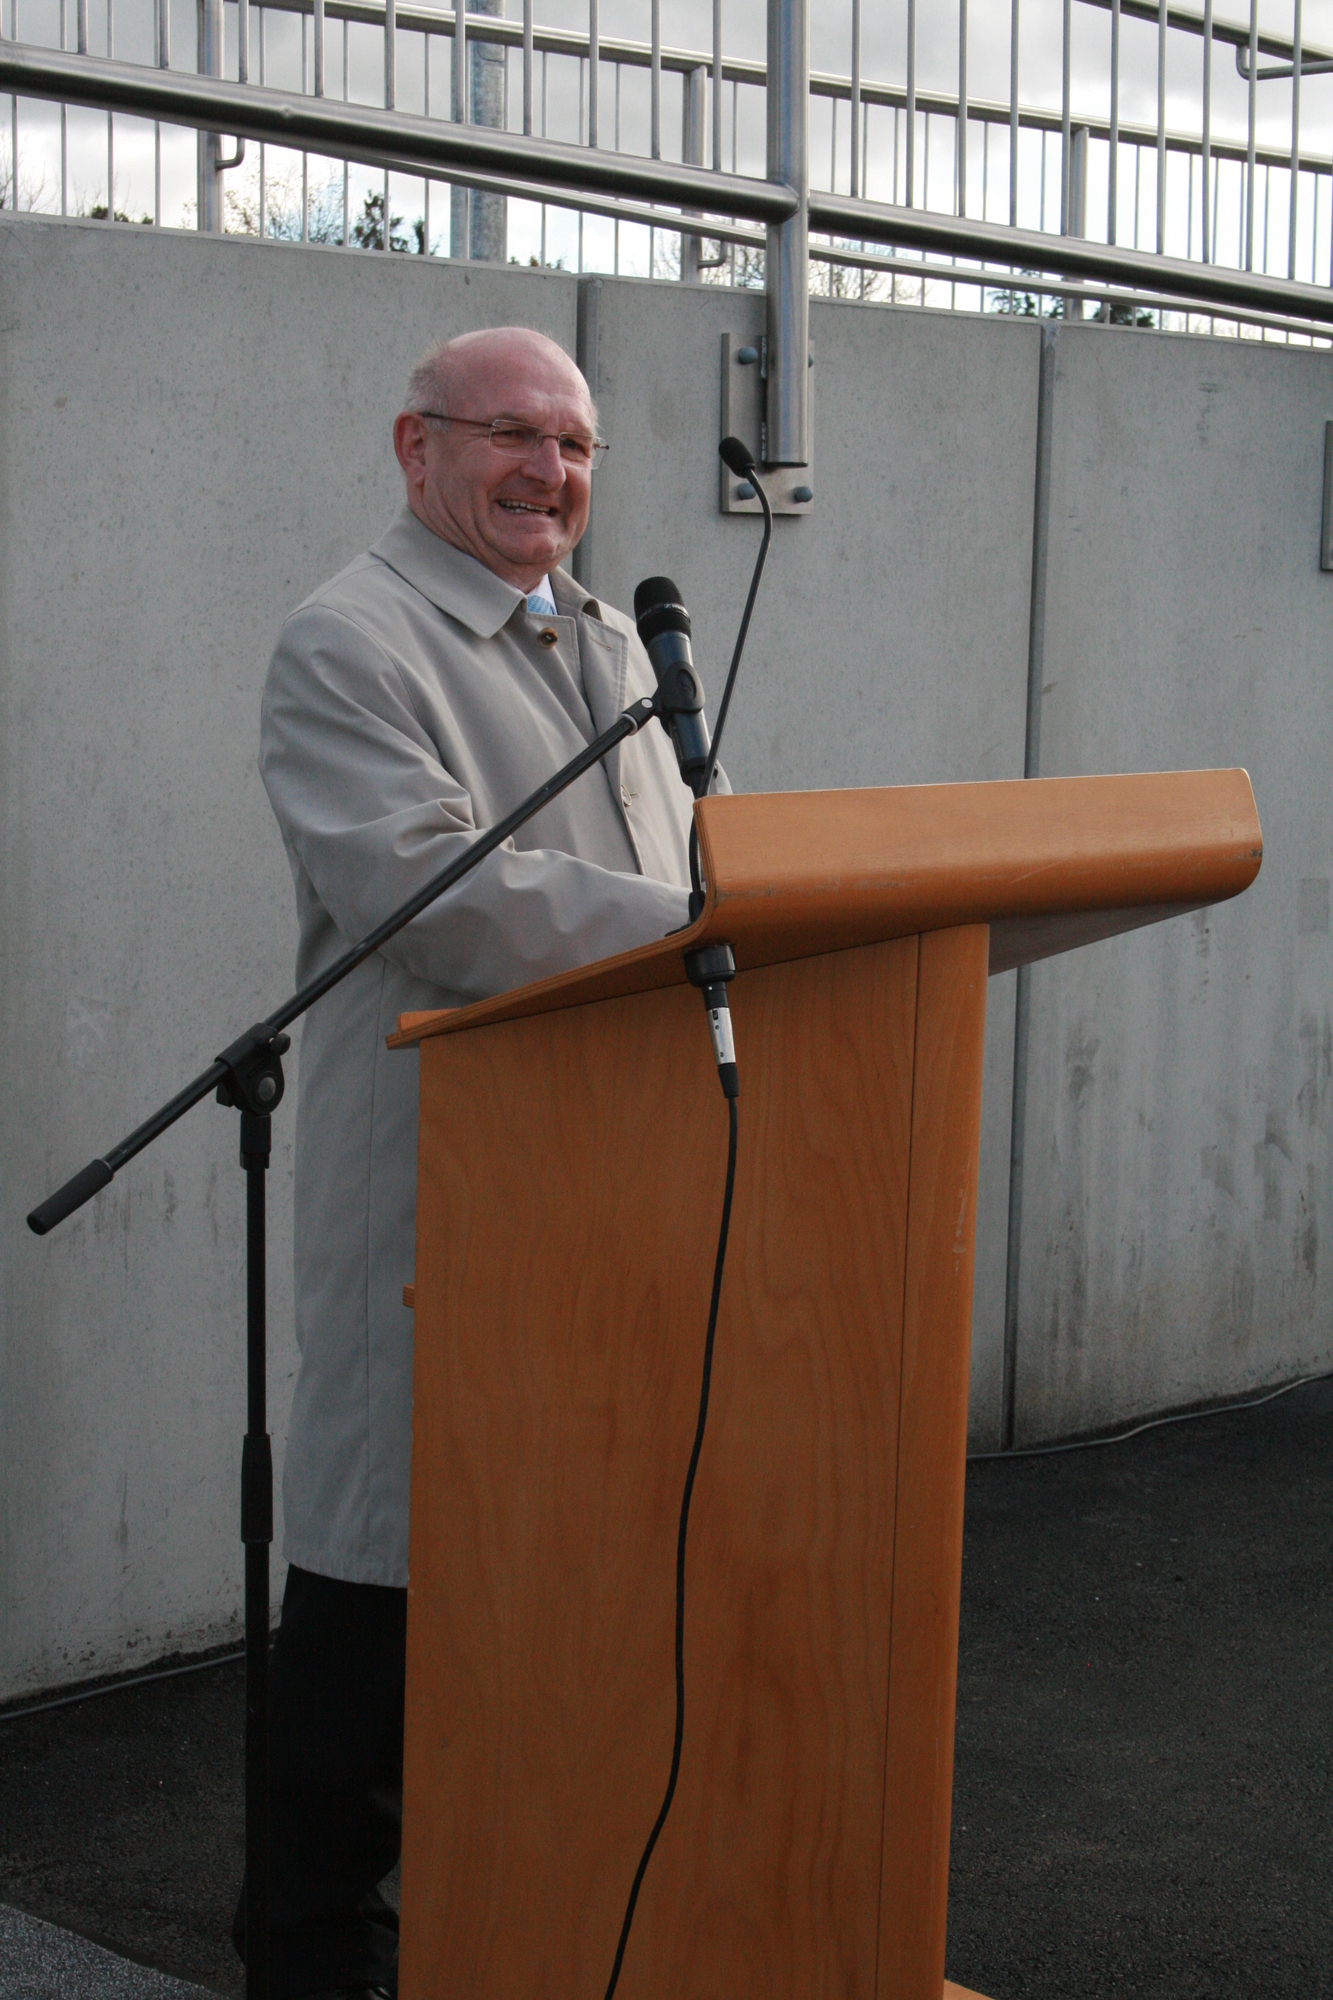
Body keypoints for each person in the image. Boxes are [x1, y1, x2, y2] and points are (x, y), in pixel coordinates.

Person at [234, 326, 710, 1999]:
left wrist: (750, 911)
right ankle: (311, 1956)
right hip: (439, 1190)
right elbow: (431, 897)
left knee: (555, 1589)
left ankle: (528, 1928)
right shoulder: (348, 641)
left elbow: (703, 852)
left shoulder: (615, 642)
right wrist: (709, 929)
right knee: (383, 1594)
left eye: (572, 445)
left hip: (614, 1178)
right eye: (509, 434)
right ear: (413, 446)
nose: (547, 472)